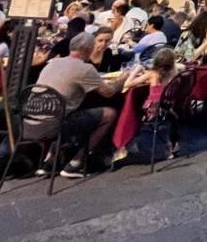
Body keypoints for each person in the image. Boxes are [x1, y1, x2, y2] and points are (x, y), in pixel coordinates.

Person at [34, 32, 127, 176]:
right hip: (57, 123)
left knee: (71, 109)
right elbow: (109, 92)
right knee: (109, 113)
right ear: (89, 48)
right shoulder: (85, 68)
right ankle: (77, 161)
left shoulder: (53, 63)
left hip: (32, 118)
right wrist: (124, 78)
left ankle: (51, 160)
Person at [116, 47, 183, 163]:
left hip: (151, 110)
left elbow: (127, 84)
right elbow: (181, 67)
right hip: (166, 108)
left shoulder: (153, 74)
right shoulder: (175, 72)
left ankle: (127, 141)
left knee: (134, 107)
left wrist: (135, 71)